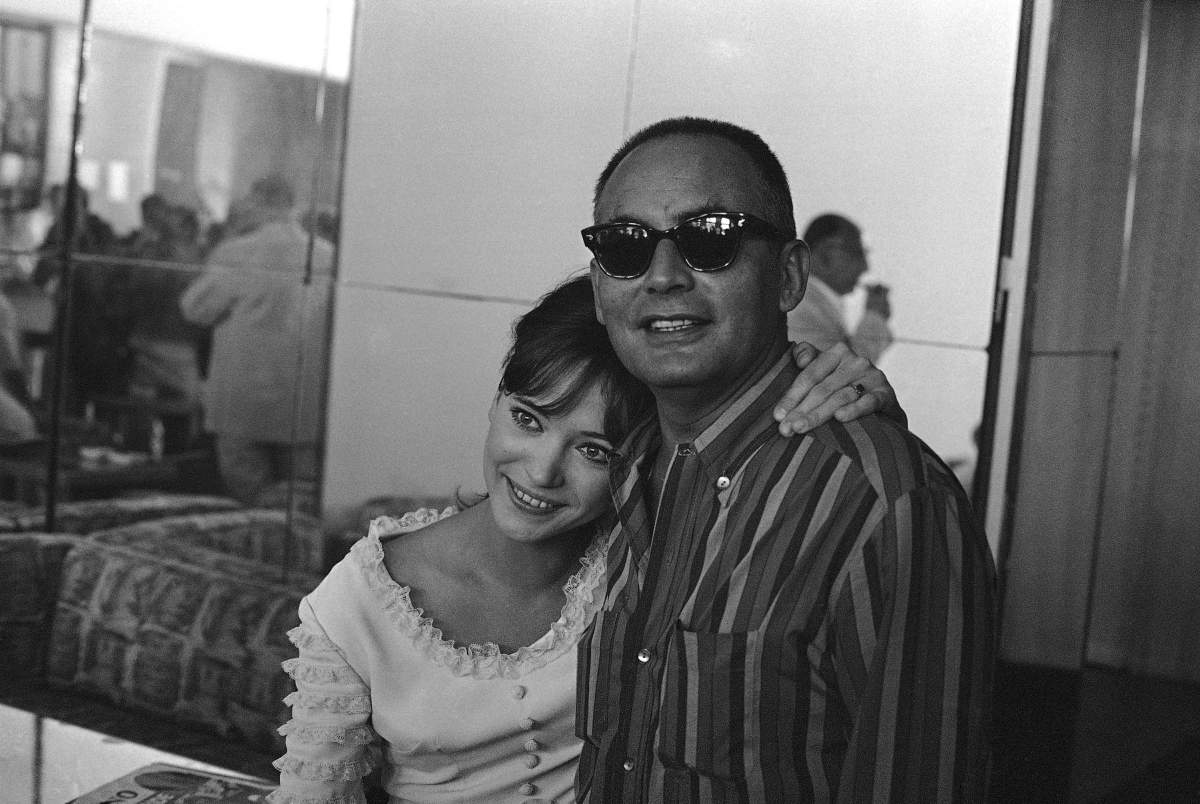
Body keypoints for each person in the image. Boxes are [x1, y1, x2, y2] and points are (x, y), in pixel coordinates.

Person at [269, 276, 902, 803]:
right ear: (495, 401)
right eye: (527, 418)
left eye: (594, 450)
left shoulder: (651, 562)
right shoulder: (360, 600)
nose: (542, 471)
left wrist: (862, 399)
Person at [577, 117, 996, 801]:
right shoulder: (612, 476)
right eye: (624, 247)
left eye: (709, 239)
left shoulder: (885, 503)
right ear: (599, 290)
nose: (662, 276)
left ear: (789, 275)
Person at [180, 175, 332, 506]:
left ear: (256, 201)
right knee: (301, 500)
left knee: (247, 498)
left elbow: (196, 308)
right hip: (302, 402)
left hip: (242, 400)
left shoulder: (238, 252)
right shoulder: (326, 256)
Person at [787, 213, 893, 362]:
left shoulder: (812, 303)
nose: (865, 267)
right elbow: (842, 374)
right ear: (825, 253)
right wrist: (874, 318)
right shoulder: (801, 308)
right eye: (857, 253)